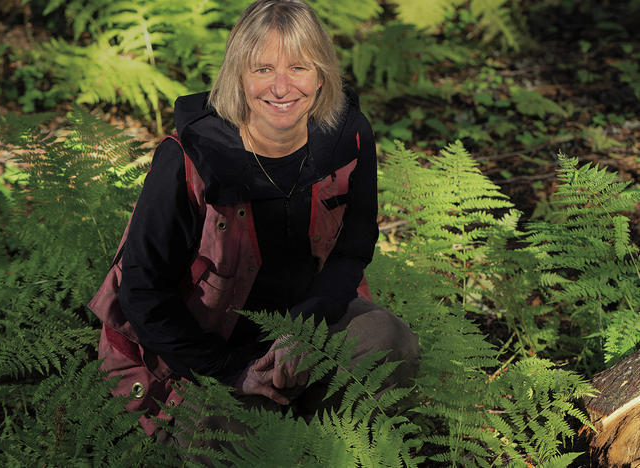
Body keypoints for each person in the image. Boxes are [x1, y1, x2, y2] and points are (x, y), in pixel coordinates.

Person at [93, 0, 419, 447]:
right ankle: (283, 434)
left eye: (299, 67)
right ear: (238, 76)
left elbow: (353, 248)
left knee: (390, 340)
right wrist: (235, 372)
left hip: (297, 336)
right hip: (199, 358)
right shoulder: (189, 158)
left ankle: (327, 443)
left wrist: (303, 330)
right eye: (263, 69)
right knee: (236, 445)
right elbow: (143, 294)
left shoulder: (349, 137)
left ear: (320, 74)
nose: (282, 88)